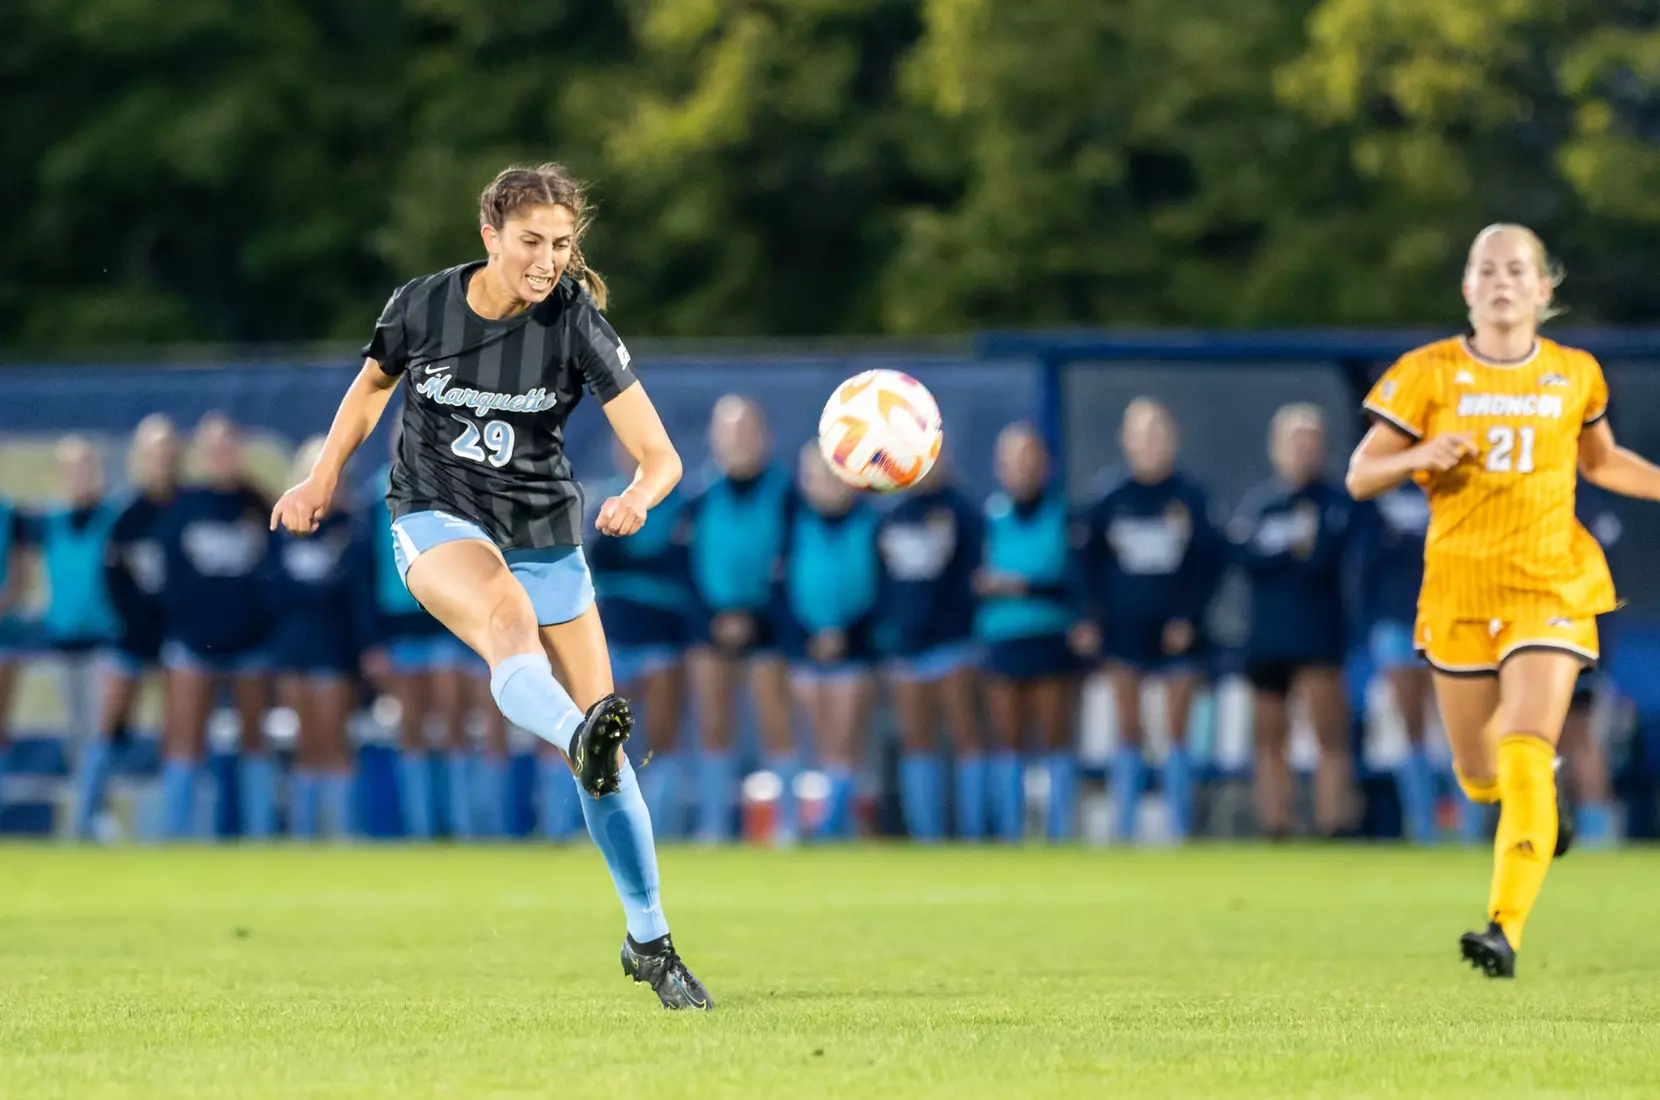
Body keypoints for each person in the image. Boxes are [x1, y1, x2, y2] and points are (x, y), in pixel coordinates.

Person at [271, 163, 711, 1008]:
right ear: (490, 236)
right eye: (531, 242)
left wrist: (634, 499)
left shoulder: (576, 321)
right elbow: (370, 389)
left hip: (546, 535)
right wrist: (323, 475)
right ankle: (572, 736)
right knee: (507, 619)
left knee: (609, 763)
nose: (548, 259)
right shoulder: (422, 305)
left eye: (562, 244)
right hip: (434, 516)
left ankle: (650, 940)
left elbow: (662, 459)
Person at [1347, 223, 1660, 978]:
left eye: (1517, 269)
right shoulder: (1427, 372)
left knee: (1527, 745)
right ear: (1466, 287)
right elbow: (1361, 474)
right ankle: (1533, 807)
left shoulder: (1574, 373)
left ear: (1544, 289)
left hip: (1551, 584)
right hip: (1458, 591)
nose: (1501, 281)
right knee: (1479, 774)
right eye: (1486, 268)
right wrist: (1422, 454)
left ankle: (1503, 927)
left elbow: (1603, 459)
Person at [1074, 400, 1222, 843]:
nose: (1151, 443)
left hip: (1177, 632)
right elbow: (1085, 564)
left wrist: (1188, 617)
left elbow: (1209, 566)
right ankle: (1125, 828)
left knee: (1176, 731)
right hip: (1123, 628)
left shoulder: (1191, 497)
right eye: (1142, 434)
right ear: (1126, 441)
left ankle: (1178, 827)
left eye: (1159, 433)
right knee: (1127, 728)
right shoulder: (1108, 497)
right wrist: (1089, 617)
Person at [1231, 404, 1356, 841]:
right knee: (1268, 738)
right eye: (1295, 442)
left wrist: (1284, 556)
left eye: (1312, 442)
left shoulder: (1337, 504)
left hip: (1318, 633)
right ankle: (1277, 824)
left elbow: (1322, 559)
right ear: (1276, 448)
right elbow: (1247, 557)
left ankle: (1332, 823)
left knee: (1329, 736)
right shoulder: (1260, 505)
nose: (1304, 451)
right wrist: (1291, 553)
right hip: (1267, 637)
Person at [681, 397, 796, 844]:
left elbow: (794, 561)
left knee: (776, 723)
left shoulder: (786, 493)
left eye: (748, 430)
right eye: (730, 431)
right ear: (714, 438)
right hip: (710, 624)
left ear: (765, 436)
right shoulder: (698, 494)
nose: (739, 440)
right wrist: (716, 618)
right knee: (713, 724)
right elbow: (686, 566)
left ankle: (787, 826)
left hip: (768, 624)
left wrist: (755, 616)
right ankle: (714, 825)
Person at [159, 414, 274, 840]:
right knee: (184, 742)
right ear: (202, 454)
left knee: (254, 742)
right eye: (214, 447)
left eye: (230, 445)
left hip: (250, 645)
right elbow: (169, 578)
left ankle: (260, 836)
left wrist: (258, 625)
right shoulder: (183, 505)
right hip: (193, 645)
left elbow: (274, 573)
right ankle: (176, 836)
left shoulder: (259, 504)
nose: (222, 454)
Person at [362, 427, 476, 840]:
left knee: (453, 724)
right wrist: (371, 639)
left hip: (446, 623)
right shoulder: (376, 496)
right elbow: (366, 570)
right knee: (410, 728)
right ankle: (421, 827)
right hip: (399, 628)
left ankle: (463, 827)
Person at [975, 424, 1083, 843]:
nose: (1021, 469)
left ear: (1046, 466)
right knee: (1008, 738)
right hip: (1002, 636)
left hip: (1049, 635)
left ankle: (1059, 829)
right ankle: (1010, 832)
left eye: (1029, 459)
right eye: (1012, 460)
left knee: (1055, 734)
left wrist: (1024, 587)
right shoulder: (989, 518)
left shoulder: (1063, 517)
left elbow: (1075, 581)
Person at [266, 437, 378, 840]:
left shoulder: (353, 531)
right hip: (294, 649)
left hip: (335, 651)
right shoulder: (284, 530)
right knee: (305, 747)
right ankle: (305, 836)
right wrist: (316, 588)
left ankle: (343, 835)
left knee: (334, 746)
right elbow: (276, 590)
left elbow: (354, 595)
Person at [75, 416, 180, 838]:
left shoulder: (187, 508)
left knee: (179, 732)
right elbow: (113, 579)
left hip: (177, 640)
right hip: (132, 639)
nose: (161, 461)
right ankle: (84, 820)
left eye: (167, 452)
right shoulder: (127, 515)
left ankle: (175, 830)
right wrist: (133, 623)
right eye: (153, 453)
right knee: (108, 725)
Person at [584, 437, 692, 838]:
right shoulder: (602, 498)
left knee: (662, 737)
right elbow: (599, 556)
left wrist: (630, 555)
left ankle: (660, 830)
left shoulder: (680, 502)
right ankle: (604, 828)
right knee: (603, 741)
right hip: (614, 637)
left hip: (662, 638)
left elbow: (674, 564)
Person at [877, 451, 984, 842]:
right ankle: (926, 835)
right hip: (907, 647)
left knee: (966, 736)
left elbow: (976, 576)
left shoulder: (964, 513)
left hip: (955, 642)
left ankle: (976, 833)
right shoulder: (891, 514)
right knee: (916, 740)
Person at [780, 443, 881, 841]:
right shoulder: (792, 526)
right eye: (815, 475)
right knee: (819, 743)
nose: (824, 484)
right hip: (805, 650)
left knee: (845, 742)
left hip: (855, 651)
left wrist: (847, 634)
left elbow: (879, 590)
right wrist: (809, 636)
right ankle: (820, 822)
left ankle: (832, 828)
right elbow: (779, 590)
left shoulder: (871, 524)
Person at [29, 437, 122, 838]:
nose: (79, 477)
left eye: (85, 468)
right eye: (71, 470)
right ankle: (86, 815)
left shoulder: (112, 519)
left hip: (103, 639)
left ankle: (90, 816)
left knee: (99, 733)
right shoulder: (49, 521)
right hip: (64, 641)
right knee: (76, 734)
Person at [1350, 480, 1436, 842]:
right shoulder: (1380, 485)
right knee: (1410, 725)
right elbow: (1362, 559)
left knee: (1462, 727)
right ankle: (1424, 827)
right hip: (1396, 620)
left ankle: (1470, 830)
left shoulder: (1455, 476)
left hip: (1453, 613)